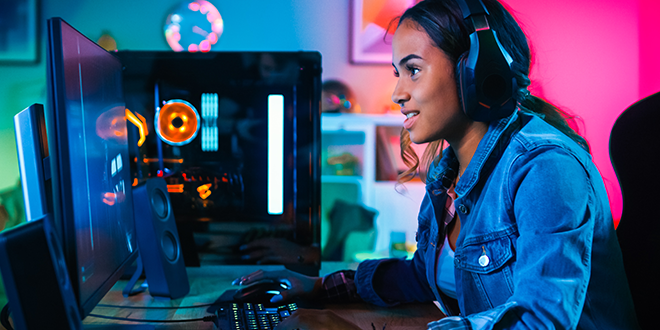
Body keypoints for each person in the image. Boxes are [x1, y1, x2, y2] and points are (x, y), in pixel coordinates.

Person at [233, 0, 639, 329]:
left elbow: (540, 322)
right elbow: (422, 275)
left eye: (413, 70)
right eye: (397, 73)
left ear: (477, 71)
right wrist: (319, 287)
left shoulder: (545, 168)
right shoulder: (449, 172)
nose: (397, 93)